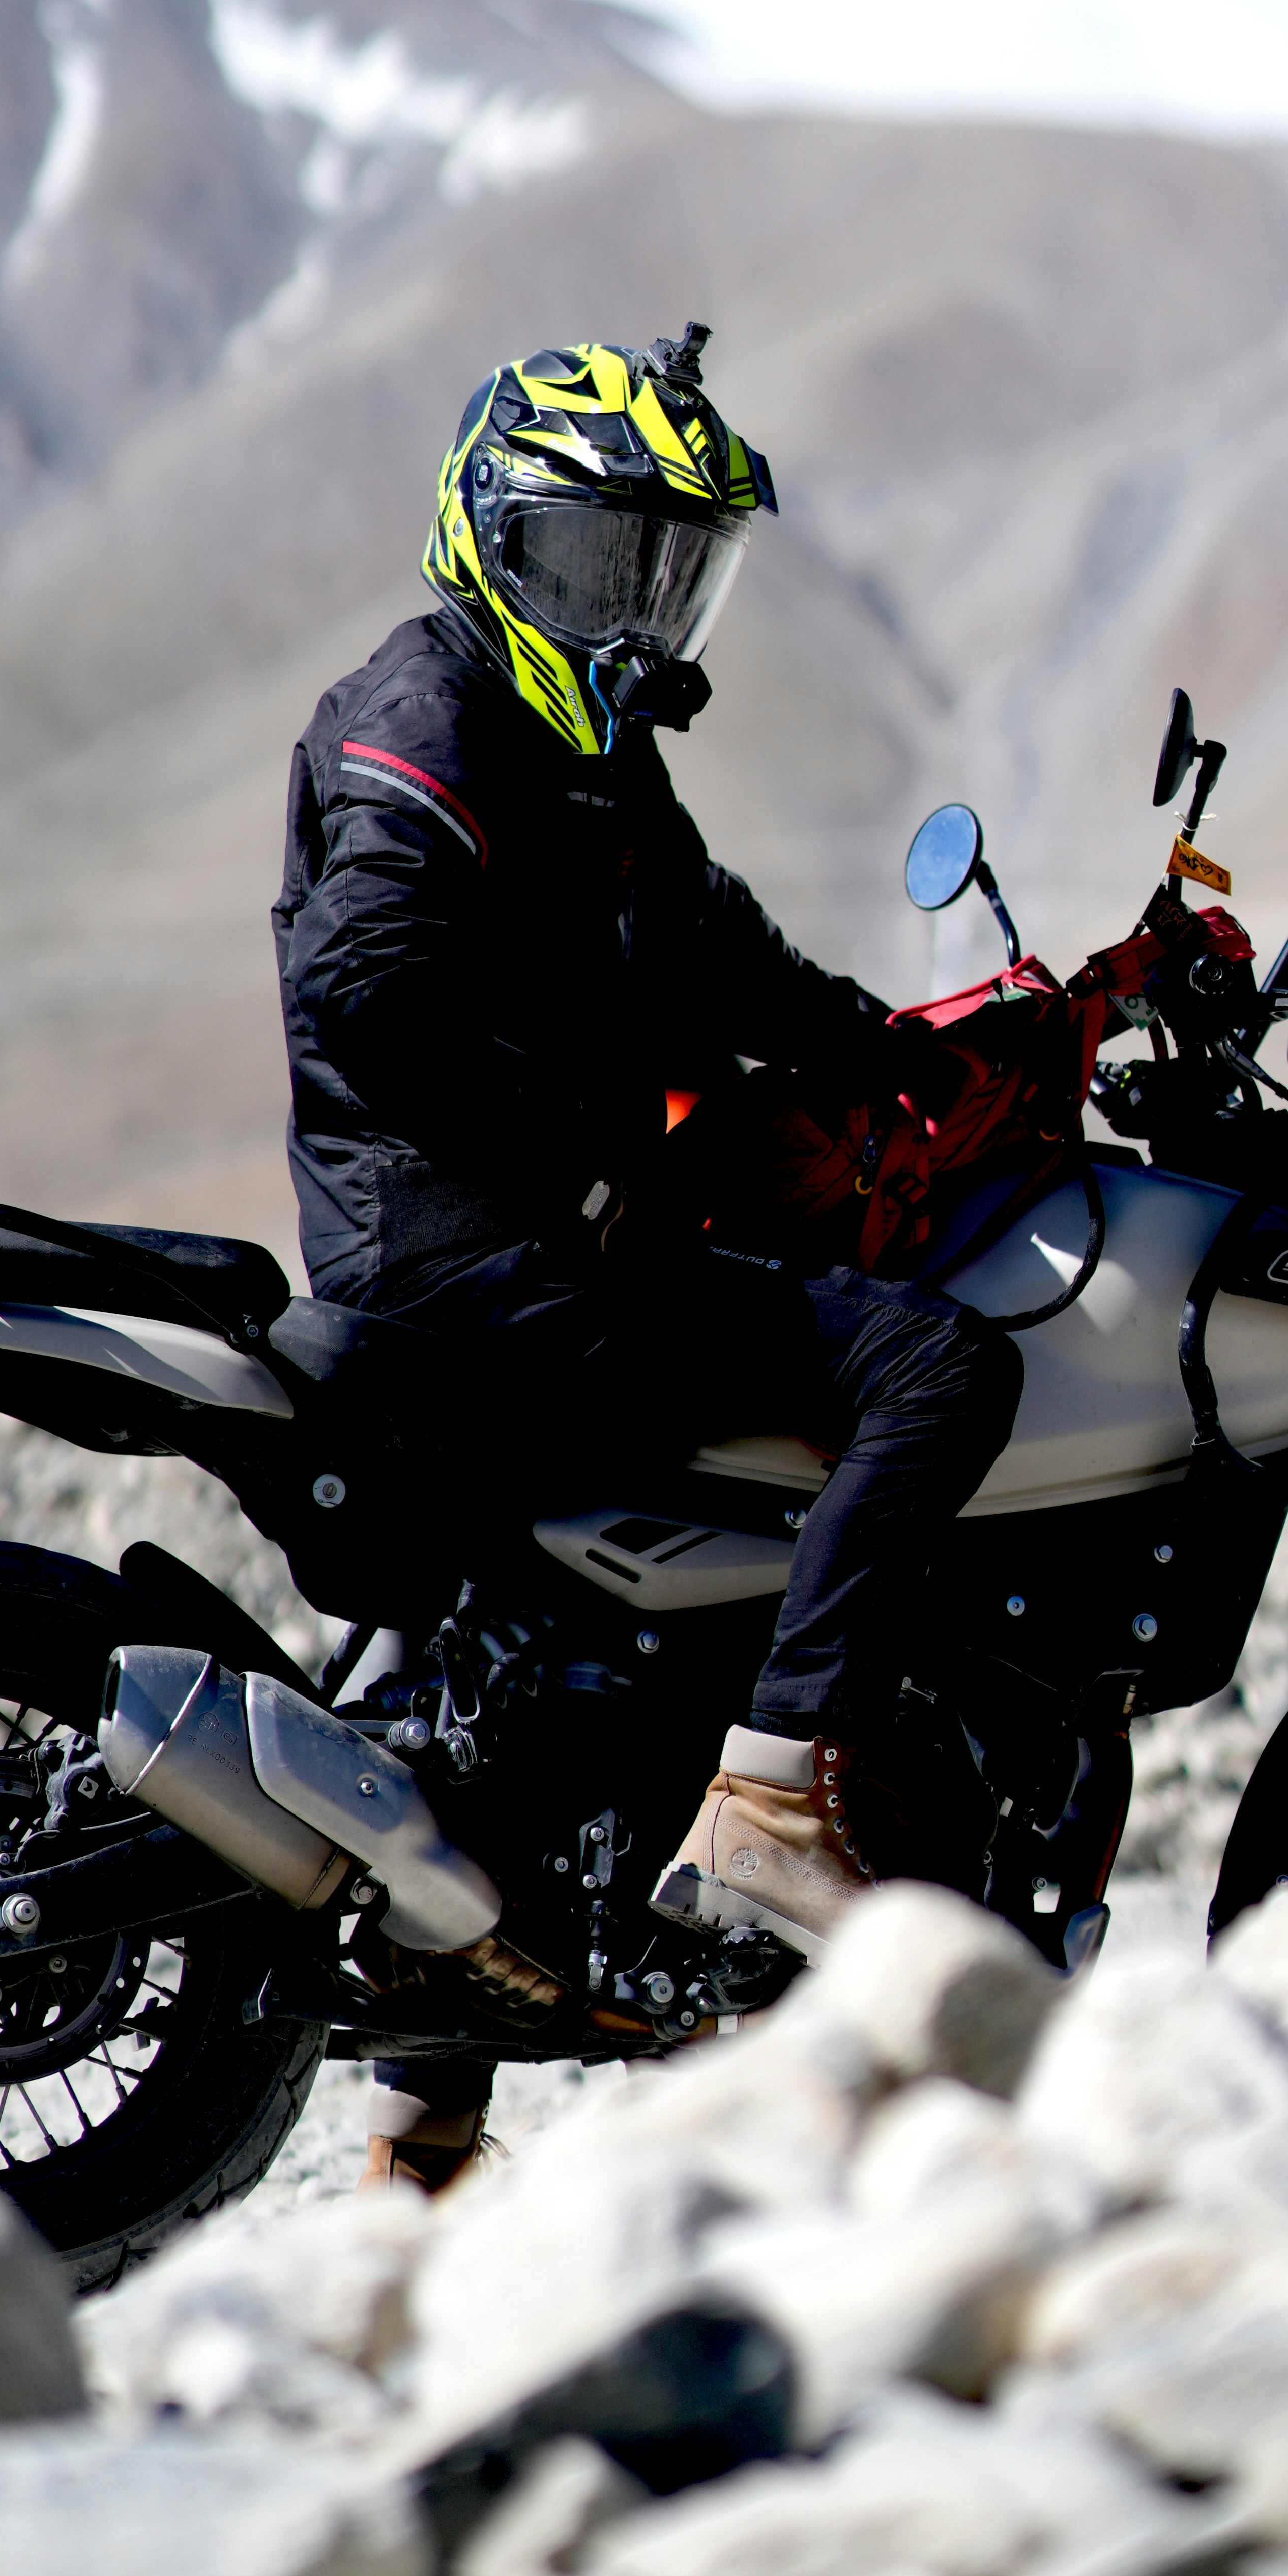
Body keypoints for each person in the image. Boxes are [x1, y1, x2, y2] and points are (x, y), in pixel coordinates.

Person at [272, 322, 1021, 2187]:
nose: (641, 605)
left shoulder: (579, 753)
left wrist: (901, 1047)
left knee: (501, 1652)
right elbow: (362, 985)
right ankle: (774, 1790)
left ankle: (422, 2121)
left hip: (510, 1255)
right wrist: (577, 1166)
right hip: (475, 1266)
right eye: (607, 555)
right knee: (940, 1366)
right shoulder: (429, 714)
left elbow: (717, 958)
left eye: (670, 565)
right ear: (499, 536)